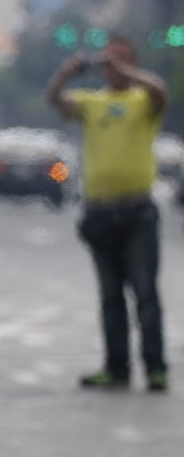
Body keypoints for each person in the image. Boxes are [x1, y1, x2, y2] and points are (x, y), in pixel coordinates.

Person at [47, 36, 169, 392]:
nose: (112, 67)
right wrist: (65, 74)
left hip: (138, 210)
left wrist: (129, 73)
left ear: (133, 61)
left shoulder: (144, 100)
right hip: (100, 211)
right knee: (110, 295)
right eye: (108, 61)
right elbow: (55, 100)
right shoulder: (92, 102)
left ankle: (156, 367)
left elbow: (160, 90)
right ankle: (117, 367)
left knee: (145, 293)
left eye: (121, 59)